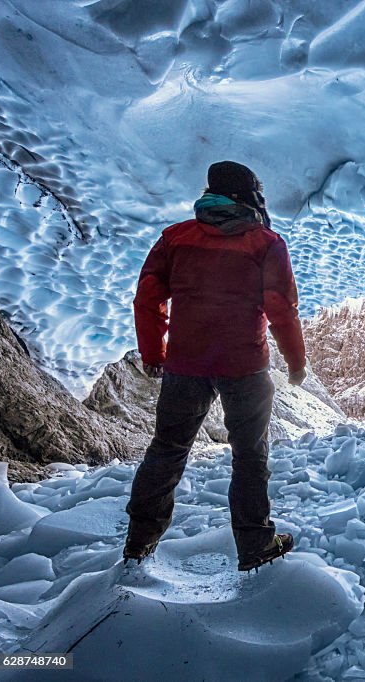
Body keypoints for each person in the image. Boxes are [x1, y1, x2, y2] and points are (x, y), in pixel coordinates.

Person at [123, 161, 307, 571]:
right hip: (245, 366)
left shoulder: (175, 238)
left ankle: (138, 543)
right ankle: (257, 545)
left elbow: (147, 300)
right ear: (250, 197)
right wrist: (295, 362)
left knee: (167, 450)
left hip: (185, 364)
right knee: (250, 456)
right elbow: (281, 309)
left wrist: (154, 354)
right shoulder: (266, 242)